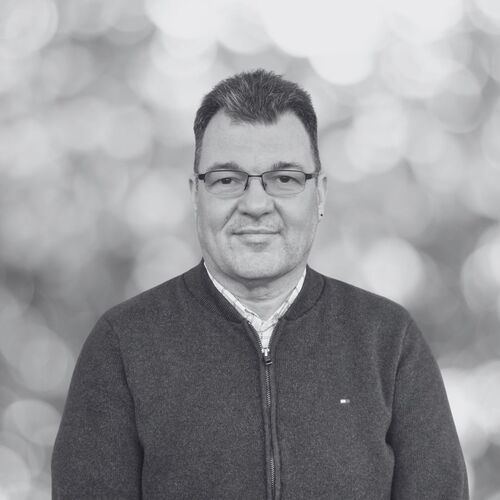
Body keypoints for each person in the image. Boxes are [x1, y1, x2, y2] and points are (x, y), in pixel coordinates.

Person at [51, 69, 469, 499]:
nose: (255, 204)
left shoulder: (388, 340)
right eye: (227, 180)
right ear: (195, 195)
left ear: (320, 194)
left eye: (284, 178)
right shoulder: (123, 344)